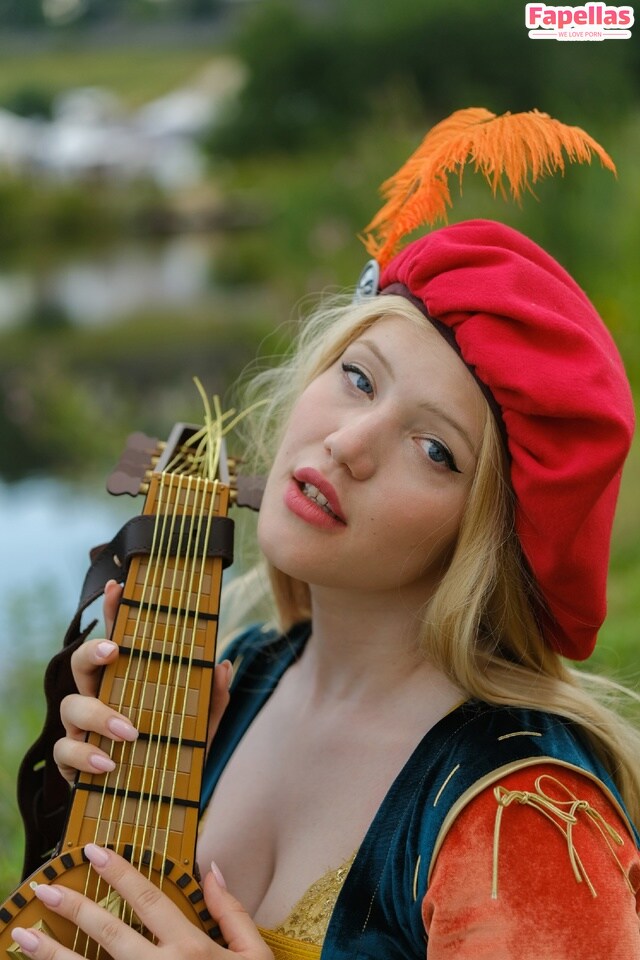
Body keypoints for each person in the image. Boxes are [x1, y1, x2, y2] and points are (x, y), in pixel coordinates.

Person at [10, 110, 640, 960]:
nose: (349, 443)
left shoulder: (522, 818)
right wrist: (90, 809)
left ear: (487, 538)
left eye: (434, 449)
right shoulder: (237, 678)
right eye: (358, 379)